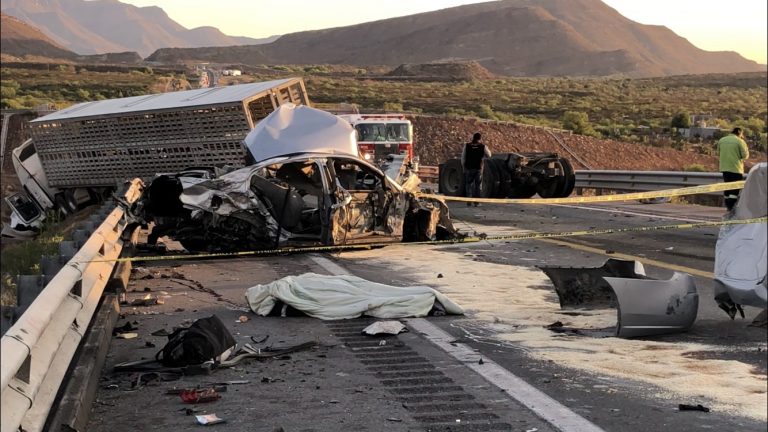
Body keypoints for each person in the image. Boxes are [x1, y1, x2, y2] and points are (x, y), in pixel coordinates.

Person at [717, 127, 750, 211]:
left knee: (727, 187)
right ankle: (731, 207)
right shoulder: (740, 141)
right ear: (739, 133)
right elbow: (745, 156)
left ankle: (727, 205)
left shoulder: (722, 140)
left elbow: (718, 152)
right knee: (734, 190)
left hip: (724, 168)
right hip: (736, 169)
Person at [461, 132, 491, 207]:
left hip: (469, 168)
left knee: (468, 185)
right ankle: (476, 202)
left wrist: (463, 167)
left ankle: (468, 201)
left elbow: (463, 157)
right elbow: (489, 155)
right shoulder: (483, 146)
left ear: (473, 138)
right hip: (478, 168)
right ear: (480, 139)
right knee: (478, 186)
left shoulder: (467, 146)